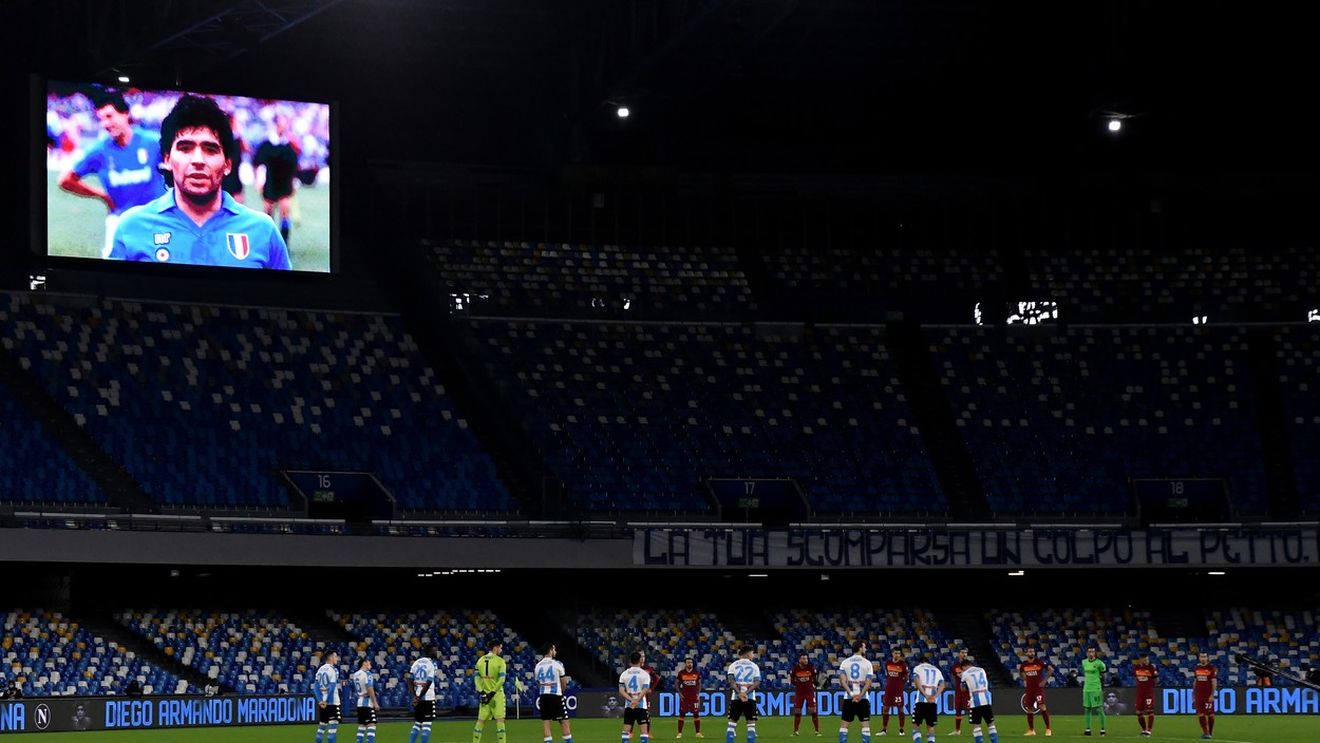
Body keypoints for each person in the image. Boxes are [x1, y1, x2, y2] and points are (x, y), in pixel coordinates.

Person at [109, 94, 291, 269]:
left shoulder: (263, 230)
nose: (198, 160)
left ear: (227, 164)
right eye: (185, 148)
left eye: (210, 149)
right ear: (167, 159)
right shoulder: (132, 227)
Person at [58, 89, 167, 258]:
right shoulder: (100, 150)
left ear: (125, 114)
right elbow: (65, 180)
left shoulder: (152, 142)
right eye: (101, 119)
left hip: (155, 221)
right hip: (120, 221)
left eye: (109, 116)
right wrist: (101, 195)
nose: (105, 124)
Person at [253, 112, 300, 245]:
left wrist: (293, 182)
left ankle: (284, 243)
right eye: (281, 124)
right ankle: (267, 242)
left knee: (285, 210)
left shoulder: (289, 145)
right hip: (271, 181)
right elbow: (259, 163)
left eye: (285, 124)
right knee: (268, 212)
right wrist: (259, 179)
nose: (283, 127)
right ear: (275, 125)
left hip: (285, 182)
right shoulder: (267, 144)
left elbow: (294, 165)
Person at [838, 640, 876, 743]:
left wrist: (851, 694)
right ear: (860, 648)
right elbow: (868, 683)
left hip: (849, 698)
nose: (865, 649)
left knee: (844, 726)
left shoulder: (845, 662)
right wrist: (860, 695)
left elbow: (842, 681)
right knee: (865, 726)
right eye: (864, 647)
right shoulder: (867, 663)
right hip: (863, 699)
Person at [535, 644, 573, 743]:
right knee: (564, 722)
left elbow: (538, 683)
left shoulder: (538, 666)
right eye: (554, 649)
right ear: (550, 650)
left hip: (543, 696)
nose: (555, 651)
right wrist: (562, 691)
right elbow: (563, 682)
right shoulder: (557, 664)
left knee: (546, 722)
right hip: (555, 696)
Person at [474, 639, 509, 743]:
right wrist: (492, 693)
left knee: (480, 722)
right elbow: (501, 680)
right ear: (495, 648)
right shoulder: (500, 661)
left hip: (484, 695)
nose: (501, 650)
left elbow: (476, 678)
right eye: (500, 648)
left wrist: (482, 692)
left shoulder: (480, 660)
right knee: (500, 721)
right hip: (497, 695)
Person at [958, 655, 998, 743]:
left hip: (975, 701)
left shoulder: (965, 673)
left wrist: (962, 679)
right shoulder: (981, 670)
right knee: (991, 724)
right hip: (986, 700)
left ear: (964, 667)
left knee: (976, 725)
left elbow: (963, 689)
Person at [726, 646, 761, 743]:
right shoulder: (754, 666)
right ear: (748, 654)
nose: (753, 655)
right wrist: (746, 693)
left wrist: (739, 693)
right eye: (752, 653)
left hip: (736, 697)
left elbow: (731, 682)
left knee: (732, 724)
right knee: (751, 724)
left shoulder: (733, 665)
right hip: (750, 698)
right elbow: (757, 682)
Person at [407, 645, 440, 743]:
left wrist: (415, 696)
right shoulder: (431, 664)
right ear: (430, 652)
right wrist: (420, 696)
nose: (436, 653)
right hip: (428, 697)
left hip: (418, 695)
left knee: (418, 723)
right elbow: (428, 682)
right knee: (427, 724)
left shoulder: (416, 662)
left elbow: (409, 680)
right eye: (435, 651)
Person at [620, 651, 654, 743]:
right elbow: (645, 689)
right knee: (644, 731)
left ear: (630, 661)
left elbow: (621, 690)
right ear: (640, 660)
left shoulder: (624, 674)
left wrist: (631, 700)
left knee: (626, 730)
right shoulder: (644, 674)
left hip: (629, 705)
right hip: (641, 705)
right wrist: (637, 700)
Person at [1019, 647, 1053, 737]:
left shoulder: (1039, 662)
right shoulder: (1024, 664)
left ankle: (1048, 729)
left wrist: (1044, 681)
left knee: (1042, 707)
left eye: (1033, 651)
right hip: (1029, 690)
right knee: (1029, 709)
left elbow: (1051, 669)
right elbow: (1021, 672)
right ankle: (1031, 730)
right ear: (1026, 653)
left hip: (1038, 689)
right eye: (1030, 651)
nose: (1032, 653)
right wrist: (1025, 679)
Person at [910, 655, 945, 743]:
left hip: (921, 701)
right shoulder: (937, 670)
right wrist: (935, 696)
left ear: (920, 662)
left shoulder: (918, 668)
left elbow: (917, 681)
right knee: (930, 726)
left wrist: (925, 695)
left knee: (916, 724)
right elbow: (942, 685)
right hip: (933, 702)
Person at [314, 650, 342, 743]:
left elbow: (316, 687)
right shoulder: (333, 670)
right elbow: (332, 687)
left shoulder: (320, 669)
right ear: (330, 658)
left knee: (321, 729)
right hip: (332, 702)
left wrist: (320, 701)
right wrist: (326, 701)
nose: (337, 658)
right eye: (335, 656)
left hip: (322, 703)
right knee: (331, 732)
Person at [790, 653, 821, 736]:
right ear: (800, 660)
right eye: (804, 659)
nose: (806, 660)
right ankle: (796, 731)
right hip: (799, 692)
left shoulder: (811, 667)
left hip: (809, 692)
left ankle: (817, 731)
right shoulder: (795, 668)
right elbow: (792, 679)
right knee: (797, 711)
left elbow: (815, 677)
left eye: (806, 659)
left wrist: (814, 683)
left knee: (813, 710)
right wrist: (797, 683)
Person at [880, 648, 910, 736]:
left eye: (898, 653)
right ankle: (884, 730)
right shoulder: (888, 663)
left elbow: (906, 676)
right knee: (885, 709)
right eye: (895, 653)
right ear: (892, 653)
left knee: (900, 708)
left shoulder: (903, 664)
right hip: (889, 690)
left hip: (898, 690)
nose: (897, 655)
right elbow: (888, 674)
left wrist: (901, 683)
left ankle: (901, 730)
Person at [351, 658, 379, 743]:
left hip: (360, 702)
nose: (370, 665)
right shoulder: (367, 674)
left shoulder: (355, 674)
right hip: (367, 702)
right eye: (369, 663)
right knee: (371, 726)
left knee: (361, 727)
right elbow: (370, 688)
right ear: (364, 663)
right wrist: (375, 703)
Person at [1080, 647, 1106, 737]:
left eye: (1092, 652)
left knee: (1099, 709)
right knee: (1087, 709)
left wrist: (1101, 687)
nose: (1091, 653)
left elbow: (1104, 676)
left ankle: (1102, 729)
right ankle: (1088, 729)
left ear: (1095, 653)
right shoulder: (1084, 662)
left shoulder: (1100, 663)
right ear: (1087, 653)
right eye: (1089, 651)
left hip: (1096, 688)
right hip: (1086, 688)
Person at [676, 657, 705, 738]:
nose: (690, 664)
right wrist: (680, 693)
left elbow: (699, 683)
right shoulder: (681, 673)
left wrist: (698, 694)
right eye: (688, 662)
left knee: (696, 714)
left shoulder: (696, 673)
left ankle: (698, 733)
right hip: (684, 696)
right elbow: (677, 683)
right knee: (682, 713)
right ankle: (679, 733)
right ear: (685, 664)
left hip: (694, 696)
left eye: (691, 662)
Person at [1132, 652, 1157, 738]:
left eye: (1147, 660)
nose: (1147, 661)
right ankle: (1143, 730)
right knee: (1138, 712)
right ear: (1140, 660)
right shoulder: (1136, 667)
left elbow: (1156, 679)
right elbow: (1136, 678)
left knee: (1150, 711)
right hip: (1140, 692)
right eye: (1145, 660)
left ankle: (1149, 730)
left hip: (1148, 692)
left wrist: (1150, 685)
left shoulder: (1151, 667)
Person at [1193, 651, 1217, 740]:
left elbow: (1214, 682)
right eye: (1201, 657)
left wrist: (1212, 695)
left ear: (1207, 658)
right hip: (1199, 695)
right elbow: (1195, 682)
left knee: (1210, 714)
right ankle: (1206, 733)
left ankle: (1210, 732)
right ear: (1199, 658)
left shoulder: (1211, 668)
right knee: (1201, 714)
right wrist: (1193, 694)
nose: (1203, 658)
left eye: (1204, 657)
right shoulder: (1197, 668)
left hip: (1207, 695)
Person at [950, 648, 972, 737]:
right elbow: (954, 675)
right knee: (958, 710)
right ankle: (957, 730)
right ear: (959, 654)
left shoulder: (970, 665)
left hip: (967, 691)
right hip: (959, 691)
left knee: (971, 710)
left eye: (966, 653)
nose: (964, 654)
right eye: (963, 652)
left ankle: (975, 729)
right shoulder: (956, 665)